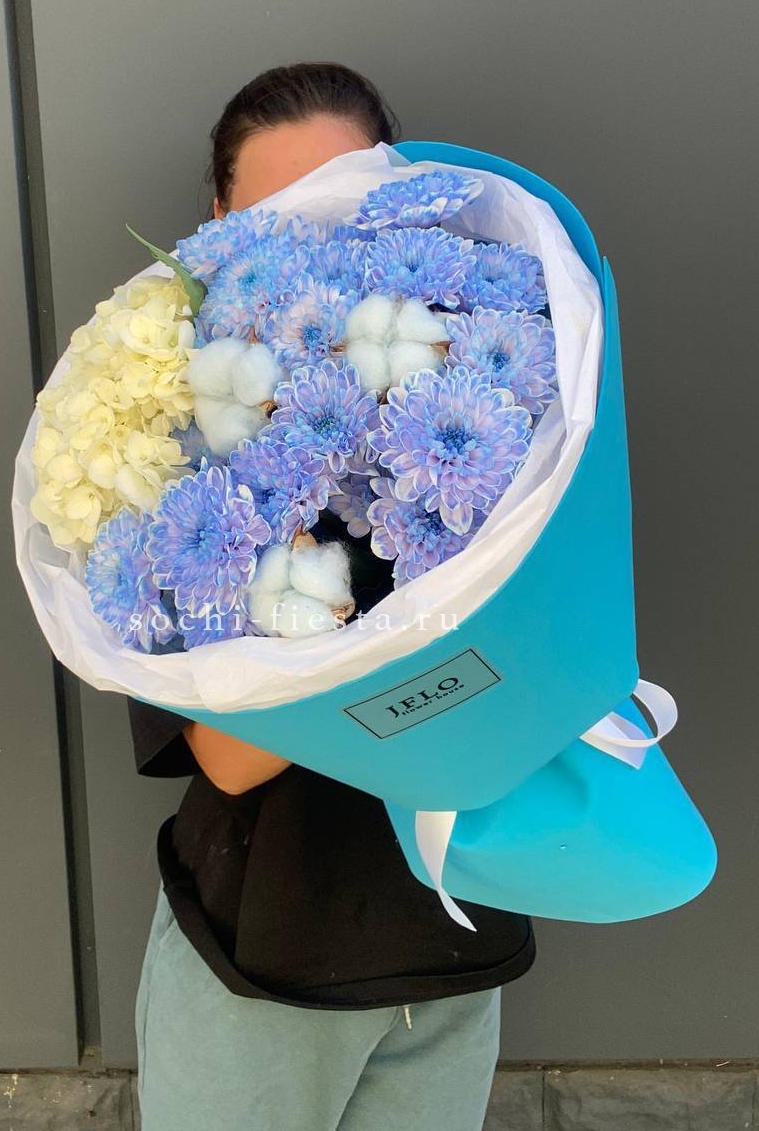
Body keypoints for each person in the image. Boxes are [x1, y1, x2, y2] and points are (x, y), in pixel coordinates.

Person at [131, 61, 535, 1131]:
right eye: (279, 214)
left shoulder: (498, 393)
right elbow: (231, 757)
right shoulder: (176, 437)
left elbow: (541, 658)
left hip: (451, 944)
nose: (313, 242)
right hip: (260, 967)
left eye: (345, 201)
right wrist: (373, 612)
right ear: (219, 221)